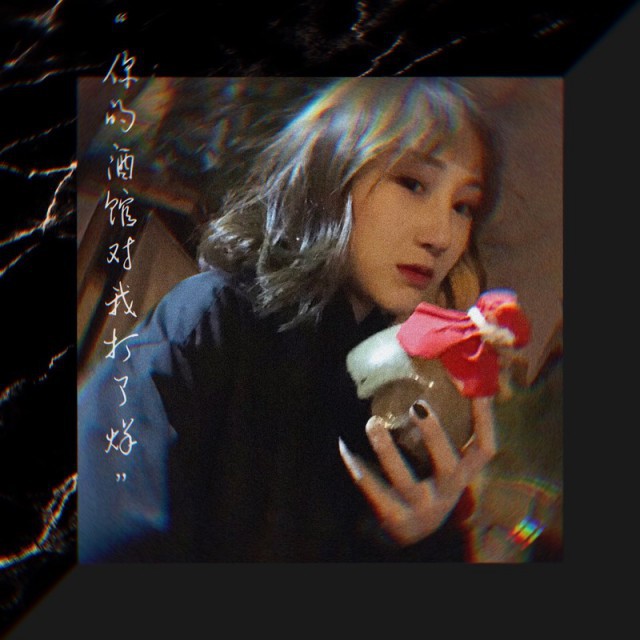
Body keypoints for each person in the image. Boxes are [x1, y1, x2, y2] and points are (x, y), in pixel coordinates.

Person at [78, 77, 502, 562]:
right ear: (331, 173)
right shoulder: (210, 319)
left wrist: (420, 541)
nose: (442, 235)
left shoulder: (406, 394)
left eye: (463, 206)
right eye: (412, 183)